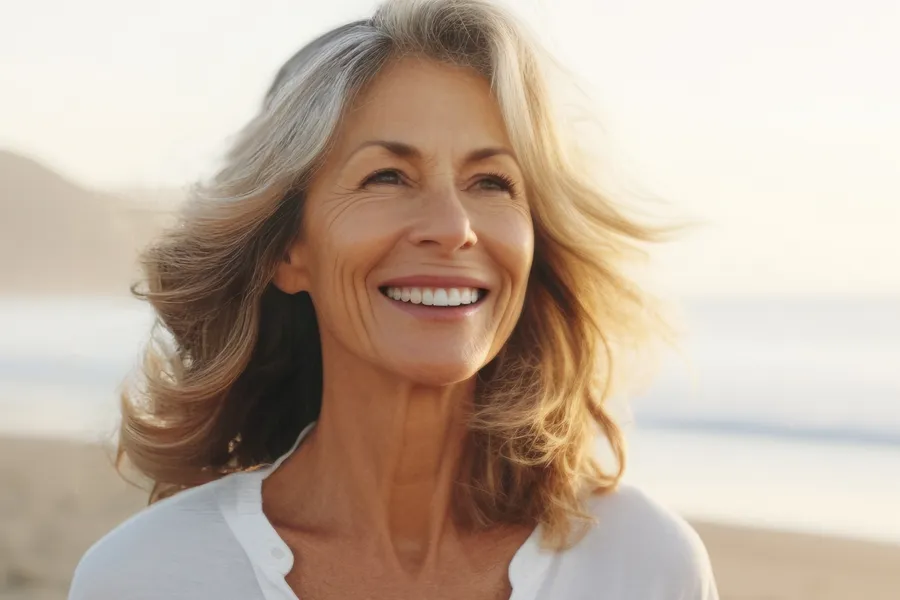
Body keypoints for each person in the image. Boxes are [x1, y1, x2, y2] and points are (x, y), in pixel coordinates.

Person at [69, 0, 718, 598]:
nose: (453, 226)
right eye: (387, 175)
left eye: (491, 182)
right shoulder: (143, 577)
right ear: (289, 249)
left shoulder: (646, 565)